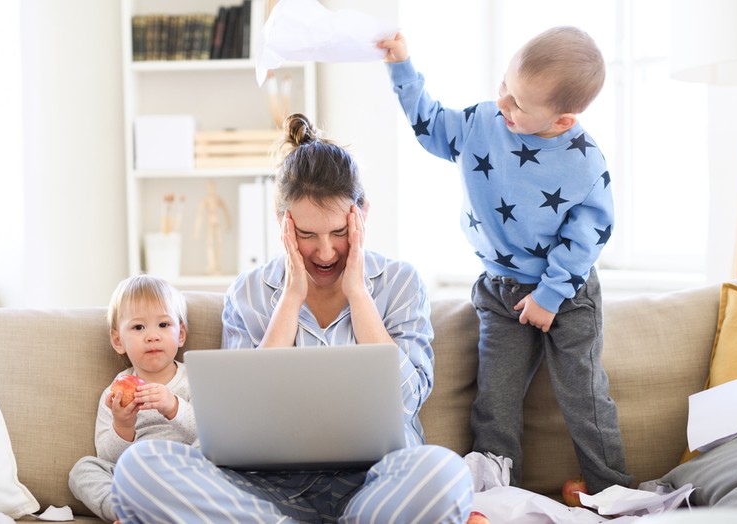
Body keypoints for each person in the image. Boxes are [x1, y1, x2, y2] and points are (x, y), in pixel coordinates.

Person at [110, 113, 474, 523]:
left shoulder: (400, 283)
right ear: (283, 222)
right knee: (139, 470)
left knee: (445, 476)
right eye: (306, 235)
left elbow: (404, 400)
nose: (324, 252)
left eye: (339, 231)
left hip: (376, 483)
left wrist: (358, 292)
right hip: (261, 490)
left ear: (362, 214)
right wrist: (292, 295)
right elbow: (244, 415)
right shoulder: (249, 293)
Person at [377, 27, 633, 494]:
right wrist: (401, 65)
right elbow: (430, 125)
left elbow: (588, 235)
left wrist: (550, 295)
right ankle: (494, 493)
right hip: (502, 291)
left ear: (562, 120)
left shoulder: (584, 162)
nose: (503, 104)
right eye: (504, 87)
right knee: (495, 400)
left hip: (568, 294)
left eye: (518, 104)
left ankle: (612, 490)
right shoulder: (482, 123)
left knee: (584, 396)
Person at [68, 274, 196, 522]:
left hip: (181, 471)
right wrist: (123, 426)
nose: (152, 336)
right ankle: (125, 513)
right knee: (82, 470)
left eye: (163, 325)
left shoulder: (193, 379)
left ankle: (158, 513)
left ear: (180, 334)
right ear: (118, 340)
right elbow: (107, 457)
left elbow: (210, 437)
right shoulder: (114, 393)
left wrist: (174, 407)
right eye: (138, 327)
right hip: (133, 480)